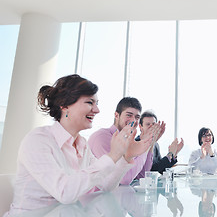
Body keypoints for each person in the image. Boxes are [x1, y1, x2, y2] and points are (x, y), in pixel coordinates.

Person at [5, 74, 154, 216]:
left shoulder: (82, 143)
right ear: (64, 106)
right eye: (90, 102)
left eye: (96, 104)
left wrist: (126, 158)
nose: (97, 110)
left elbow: (107, 184)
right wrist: (112, 155)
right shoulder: (38, 140)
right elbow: (65, 193)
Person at [89, 97, 164, 185]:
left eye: (137, 117)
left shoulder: (128, 140)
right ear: (117, 115)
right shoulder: (102, 137)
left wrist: (149, 144)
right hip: (97, 197)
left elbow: (141, 176)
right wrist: (145, 142)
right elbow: (124, 179)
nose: (133, 120)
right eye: (129, 115)